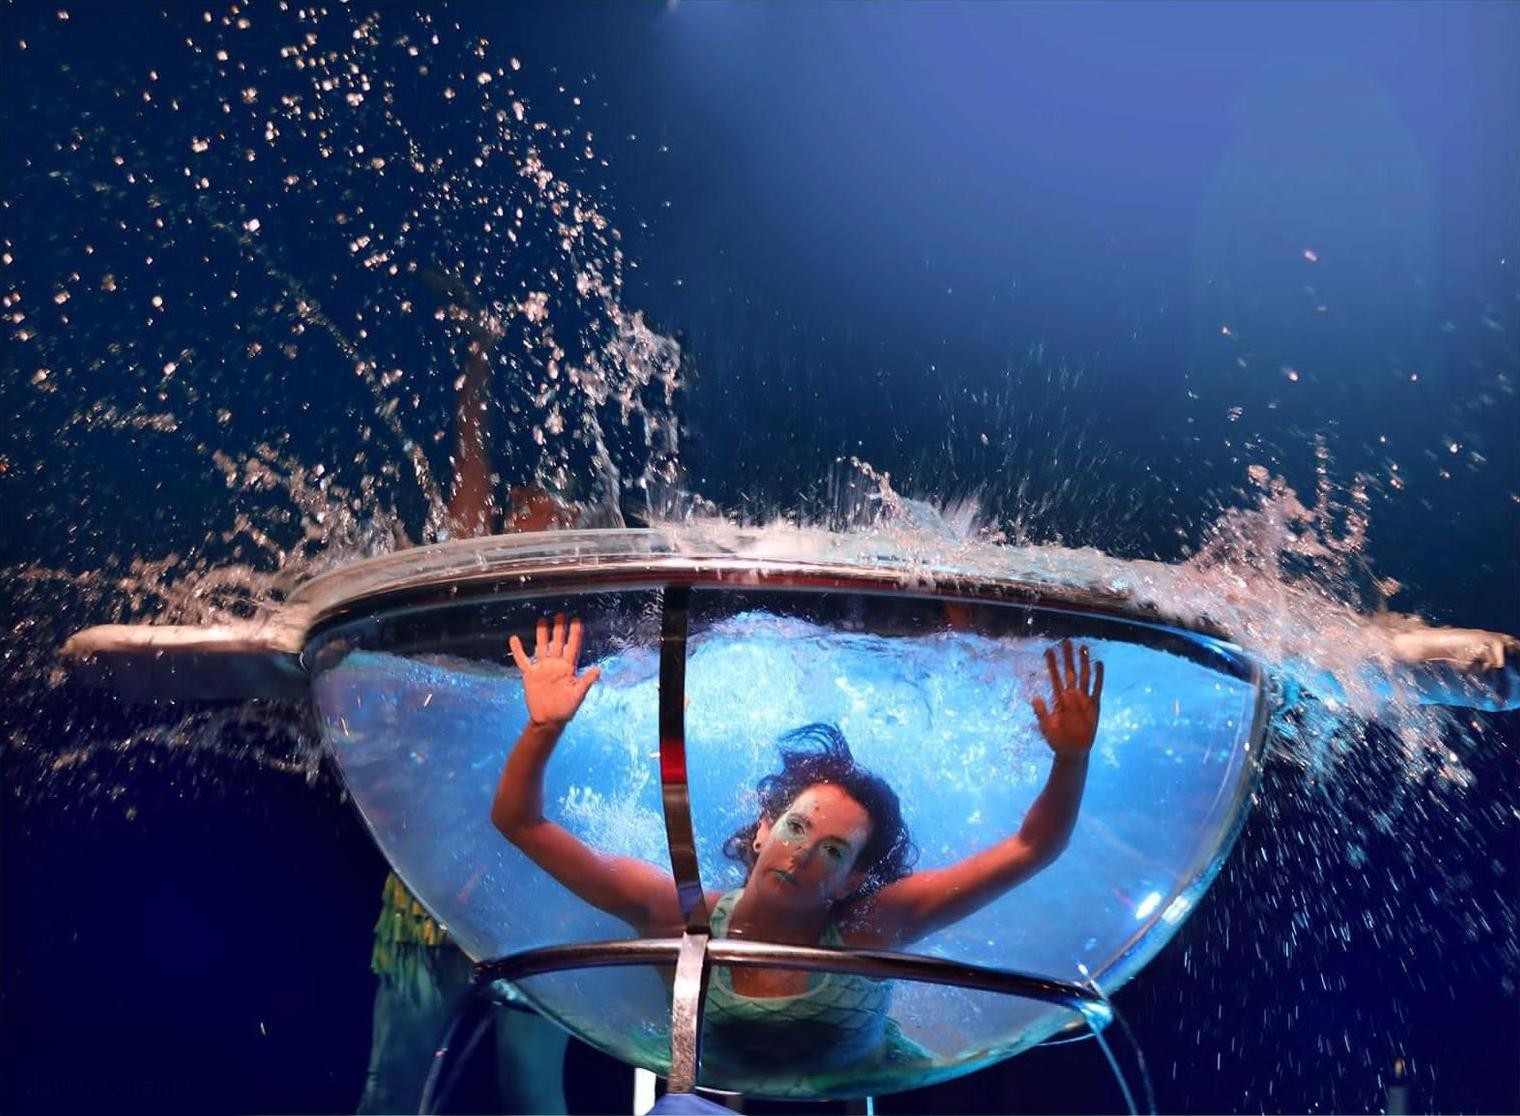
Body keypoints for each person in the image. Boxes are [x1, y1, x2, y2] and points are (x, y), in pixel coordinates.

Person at [490, 614, 1103, 1076]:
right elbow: (520, 823)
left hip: (865, 1085)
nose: (803, 854)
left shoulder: (873, 927)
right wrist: (543, 726)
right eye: (797, 828)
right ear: (763, 830)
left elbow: (1033, 847)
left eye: (834, 851)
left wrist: (1071, 758)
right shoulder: (678, 912)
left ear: (853, 879)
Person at [357, 272, 574, 1115]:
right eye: (521, 504)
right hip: (431, 888)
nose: (526, 508)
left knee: (531, 1088)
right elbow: (468, 481)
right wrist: (475, 368)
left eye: (543, 506)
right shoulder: (458, 596)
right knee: (394, 1083)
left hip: (530, 898)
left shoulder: (578, 621)